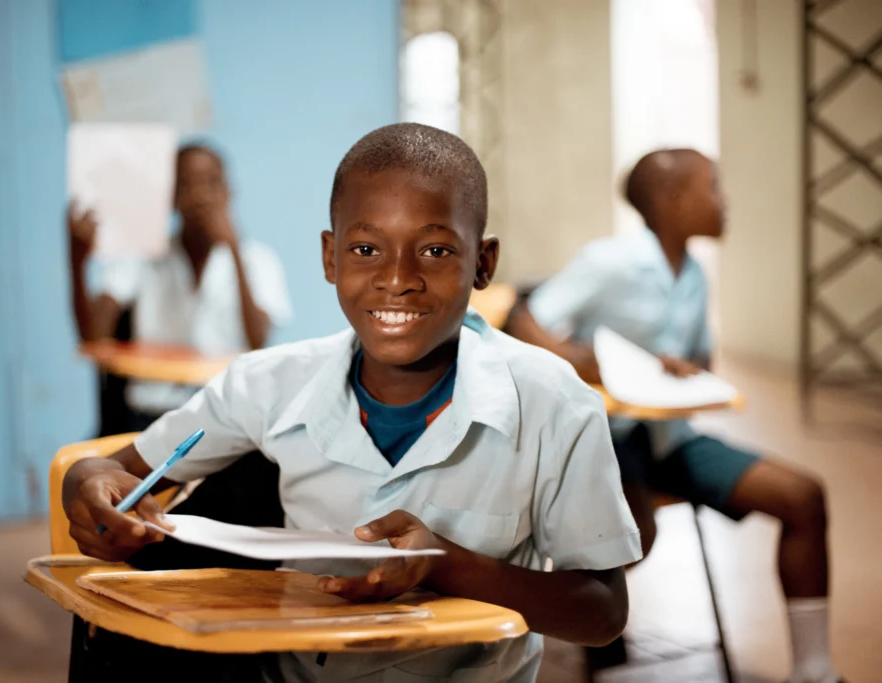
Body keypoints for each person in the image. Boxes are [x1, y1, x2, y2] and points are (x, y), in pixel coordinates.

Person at [61, 123, 642, 682]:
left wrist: (452, 565)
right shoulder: (269, 382)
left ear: (483, 263)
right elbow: (114, 470)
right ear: (330, 257)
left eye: (436, 251)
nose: (398, 278)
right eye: (366, 248)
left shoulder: (555, 404)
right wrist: (88, 485)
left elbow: (602, 613)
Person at [507, 149, 842, 683]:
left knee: (803, 497)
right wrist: (584, 361)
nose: (723, 201)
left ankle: (815, 671)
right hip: (607, 441)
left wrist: (682, 369)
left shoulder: (694, 275)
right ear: (671, 201)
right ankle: (596, 631)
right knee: (633, 533)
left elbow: (700, 359)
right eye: (712, 187)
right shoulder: (608, 261)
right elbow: (525, 320)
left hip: (670, 437)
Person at [67, 143, 293, 427]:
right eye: (186, 184)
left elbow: (258, 339)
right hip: (150, 414)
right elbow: (94, 338)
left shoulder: (258, 261)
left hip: (226, 415)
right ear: (171, 197)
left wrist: (234, 249)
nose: (199, 196)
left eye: (210, 183)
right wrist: (77, 260)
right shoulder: (142, 257)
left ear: (228, 192)